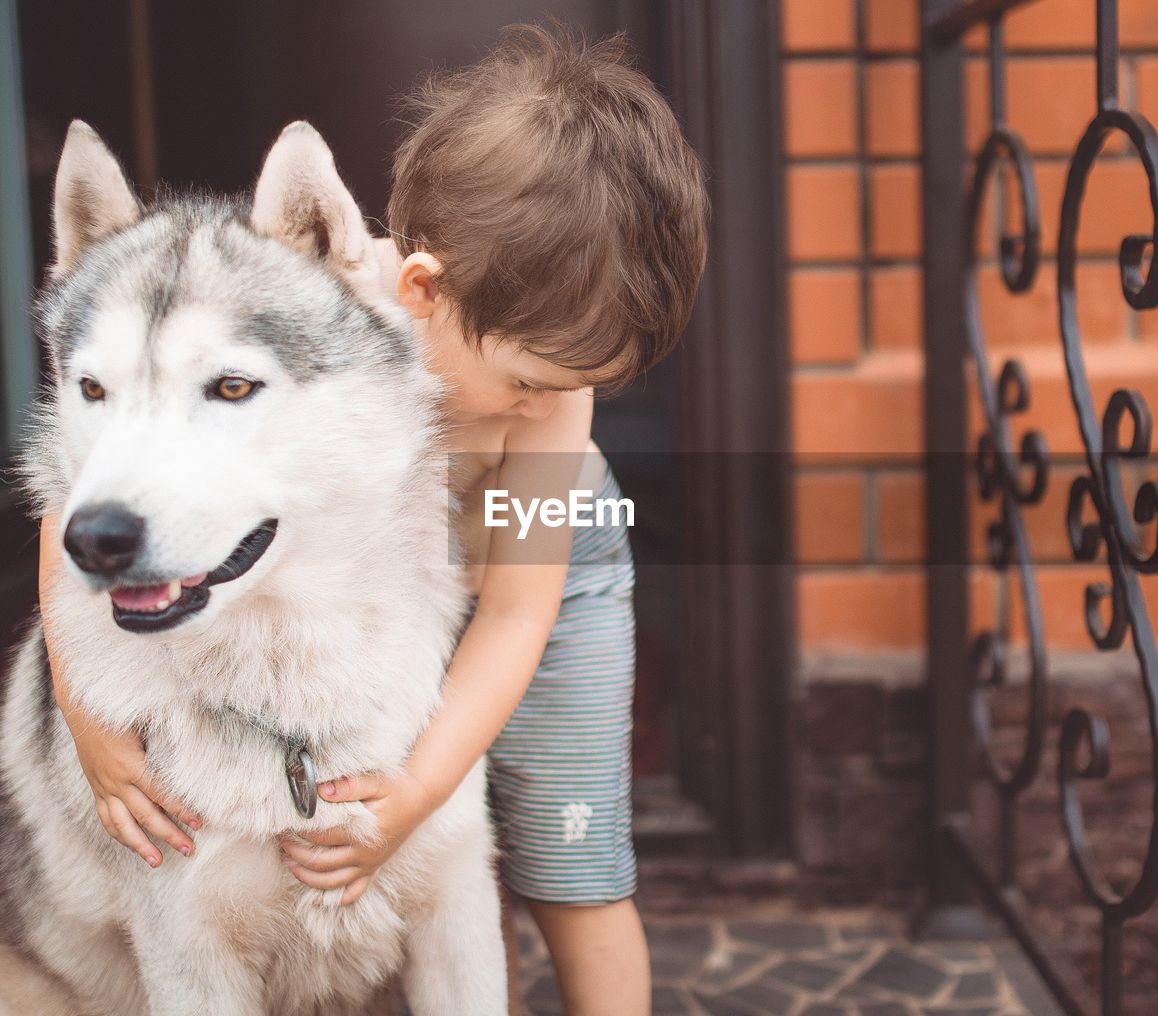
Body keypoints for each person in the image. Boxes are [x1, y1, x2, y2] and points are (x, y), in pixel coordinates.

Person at [39, 22, 707, 1016]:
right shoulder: (313, 298)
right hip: (391, 577)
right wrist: (89, 721)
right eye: (527, 380)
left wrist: (416, 790)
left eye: (570, 386)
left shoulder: (550, 397)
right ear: (421, 288)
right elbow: (83, 512)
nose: (545, 401)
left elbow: (520, 615)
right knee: (457, 866)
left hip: (551, 568)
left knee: (568, 856)